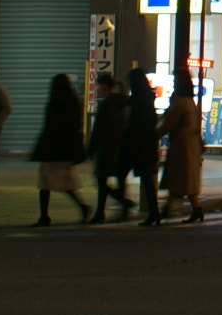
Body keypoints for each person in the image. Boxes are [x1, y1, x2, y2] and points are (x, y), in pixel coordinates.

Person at [30, 74, 90, 226]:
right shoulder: (73, 101)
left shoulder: (56, 102)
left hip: (53, 150)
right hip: (65, 150)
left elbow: (50, 126)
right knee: (62, 182)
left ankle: (45, 216)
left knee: (46, 183)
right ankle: (80, 207)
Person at [156, 88, 206, 223]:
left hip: (181, 148)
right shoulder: (191, 102)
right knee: (185, 182)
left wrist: (155, 135)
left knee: (178, 179)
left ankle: (167, 209)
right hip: (190, 148)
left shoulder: (180, 103)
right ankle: (195, 209)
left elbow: (168, 123)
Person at [88, 75, 131, 221]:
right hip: (121, 146)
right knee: (119, 179)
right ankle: (123, 206)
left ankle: (102, 211)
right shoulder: (122, 102)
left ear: (105, 86)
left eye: (99, 85)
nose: (98, 88)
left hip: (106, 147)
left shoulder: (107, 104)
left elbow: (99, 128)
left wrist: (91, 149)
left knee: (101, 180)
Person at [123, 71, 162, 226]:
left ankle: (129, 204)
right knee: (147, 181)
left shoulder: (137, 100)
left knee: (123, 173)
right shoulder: (147, 98)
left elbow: (132, 123)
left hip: (137, 144)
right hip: (147, 144)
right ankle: (154, 212)